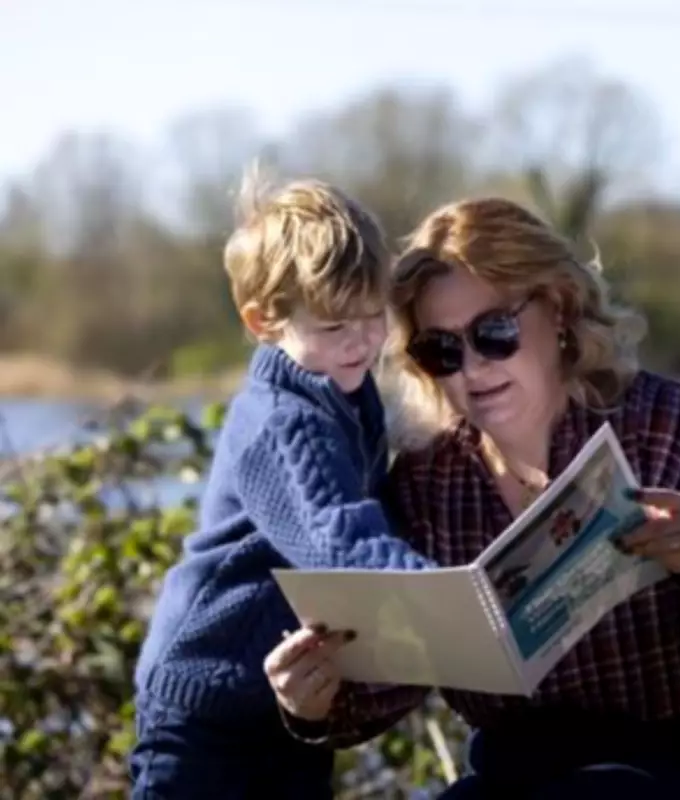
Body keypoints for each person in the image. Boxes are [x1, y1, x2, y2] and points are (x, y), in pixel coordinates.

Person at [265, 196, 680, 798]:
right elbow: (400, 675)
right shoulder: (428, 480)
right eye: (441, 350)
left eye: (493, 334)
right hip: (512, 774)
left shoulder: (668, 428)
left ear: (560, 309)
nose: (470, 367)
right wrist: (313, 700)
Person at [130, 172, 437, 799]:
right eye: (332, 327)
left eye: (372, 316)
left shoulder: (346, 393)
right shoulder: (282, 419)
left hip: (286, 703)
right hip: (204, 709)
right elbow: (339, 540)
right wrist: (449, 600)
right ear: (263, 321)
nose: (361, 341)